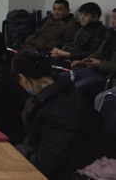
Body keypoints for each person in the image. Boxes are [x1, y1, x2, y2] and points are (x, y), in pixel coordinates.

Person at [12, 50, 102, 180]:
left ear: (23, 79)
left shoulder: (56, 111)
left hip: (66, 171)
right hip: (60, 162)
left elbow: (46, 165)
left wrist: (18, 154)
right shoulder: (64, 90)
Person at [70, 8, 116, 103]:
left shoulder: (101, 31)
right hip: (94, 70)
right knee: (64, 77)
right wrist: (84, 61)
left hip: (107, 76)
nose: (112, 22)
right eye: (113, 18)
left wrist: (99, 64)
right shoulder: (111, 34)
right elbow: (98, 52)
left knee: (75, 88)